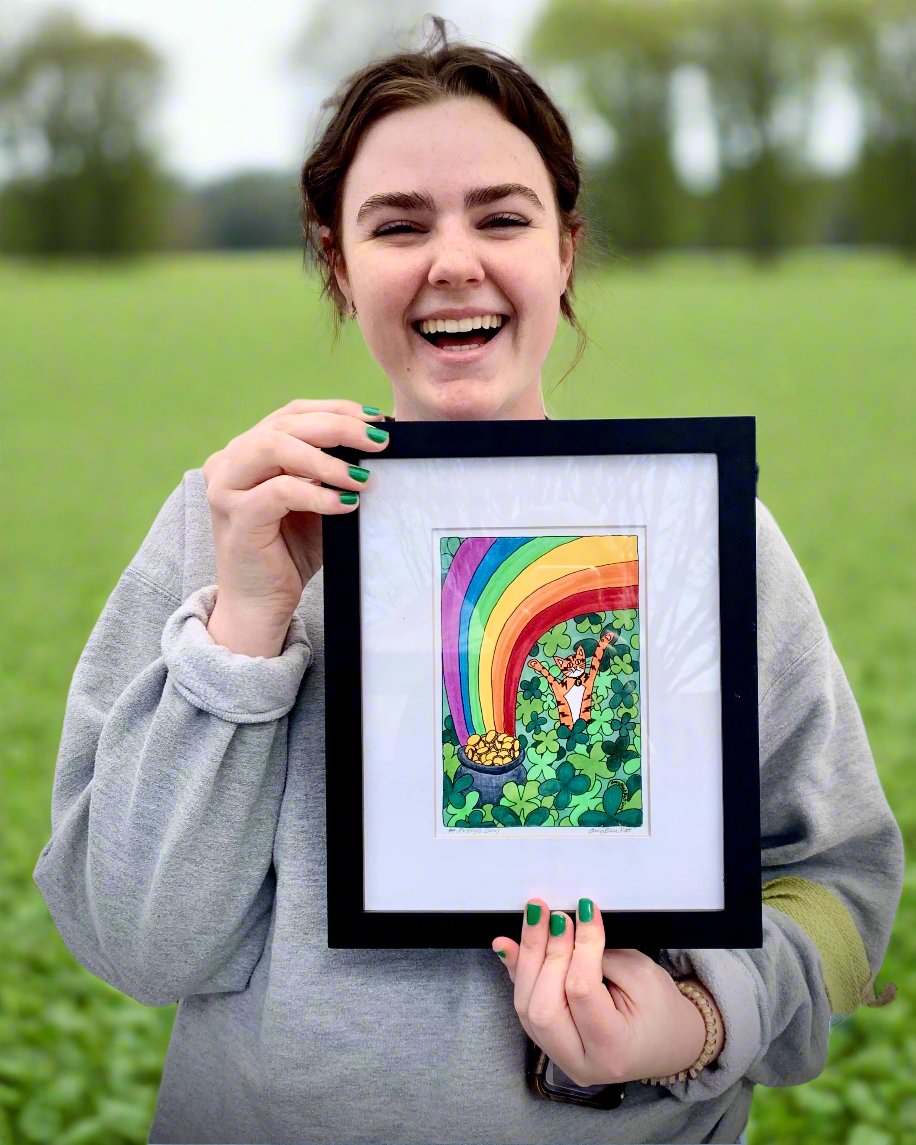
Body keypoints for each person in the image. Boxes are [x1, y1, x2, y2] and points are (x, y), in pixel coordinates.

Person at [34, 18, 903, 1145]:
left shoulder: (702, 537)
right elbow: (134, 945)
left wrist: (695, 1018)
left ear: (564, 252)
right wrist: (245, 625)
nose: (453, 261)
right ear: (339, 263)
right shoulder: (226, 529)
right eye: (398, 224)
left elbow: (842, 887)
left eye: (502, 217)